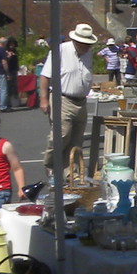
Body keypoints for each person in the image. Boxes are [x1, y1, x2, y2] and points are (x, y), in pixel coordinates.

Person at [39, 24, 99, 176]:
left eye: (89, 44)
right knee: (62, 134)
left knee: (77, 139)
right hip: (62, 98)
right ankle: (51, 164)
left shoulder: (88, 54)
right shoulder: (60, 50)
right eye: (85, 44)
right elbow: (45, 75)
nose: (87, 47)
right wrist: (44, 99)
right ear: (76, 41)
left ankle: (71, 172)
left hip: (81, 100)